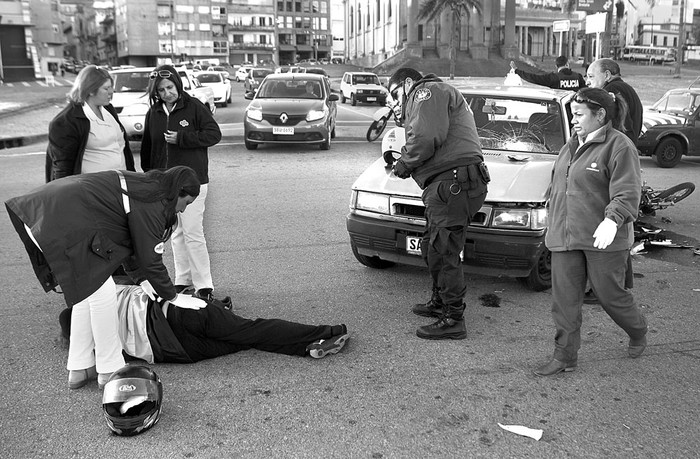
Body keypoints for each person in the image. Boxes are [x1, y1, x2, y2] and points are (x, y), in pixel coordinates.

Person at [5, 166, 208, 390]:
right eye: (186, 203)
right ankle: (109, 369)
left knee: (87, 293)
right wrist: (172, 295)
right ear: (178, 191)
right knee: (104, 293)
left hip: (44, 212)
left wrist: (142, 280)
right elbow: (150, 257)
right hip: (57, 219)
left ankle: (80, 367)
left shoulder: (146, 188)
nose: (182, 211)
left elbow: (132, 247)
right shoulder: (154, 201)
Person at [534, 88, 648, 377]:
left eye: (580, 114)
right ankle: (565, 356)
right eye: (572, 114)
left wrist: (613, 219)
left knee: (610, 296)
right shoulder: (570, 146)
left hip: (603, 238)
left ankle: (638, 329)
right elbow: (558, 186)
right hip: (565, 236)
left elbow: (627, 190)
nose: (573, 120)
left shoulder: (619, 146)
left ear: (600, 115)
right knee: (564, 302)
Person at [387, 67, 489, 340]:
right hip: (453, 184)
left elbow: (424, 136)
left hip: (452, 184)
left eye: (397, 94)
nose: (397, 102)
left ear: (408, 83)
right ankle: (441, 302)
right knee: (433, 246)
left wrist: (403, 164)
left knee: (444, 252)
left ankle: (453, 319)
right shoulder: (440, 93)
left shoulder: (426, 90)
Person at [60, 283, 350, 363]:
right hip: (181, 313)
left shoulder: (100, 345)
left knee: (246, 341)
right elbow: (156, 285)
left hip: (179, 351)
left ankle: (307, 348)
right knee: (250, 329)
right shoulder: (106, 293)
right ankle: (327, 332)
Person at [141, 65, 222, 301]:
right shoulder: (154, 113)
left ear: (178, 83)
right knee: (175, 232)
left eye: (170, 87)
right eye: (161, 90)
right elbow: (148, 146)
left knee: (193, 233)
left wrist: (182, 138)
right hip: (164, 183)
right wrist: (149, 175)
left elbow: (213, 135)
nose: (167, 93)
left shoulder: (195, 106)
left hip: (192, 182)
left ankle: (204, 285)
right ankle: (182, 279)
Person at [45, 65, 135, 182]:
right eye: (106, 88)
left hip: (121, 183)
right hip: (93, 191)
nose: (111, 92)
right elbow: (62, 170)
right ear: (91, 90)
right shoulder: (66, 121)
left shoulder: (108, 109)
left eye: (111, 87)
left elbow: (122, 147)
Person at [585, 58, 643, 145]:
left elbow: (620, 125)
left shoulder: (610, 91)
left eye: (591, 76)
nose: (587, 82)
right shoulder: (626, 88)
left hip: (617, 147)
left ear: (607, 75)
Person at [510, 56, 586, 91]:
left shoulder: (553, 77)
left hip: (558, 111)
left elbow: (534, 78)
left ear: (556, 66)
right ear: (567, 64)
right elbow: (586, 90)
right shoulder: (578, 77)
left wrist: (517, 71)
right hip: (576, 110)